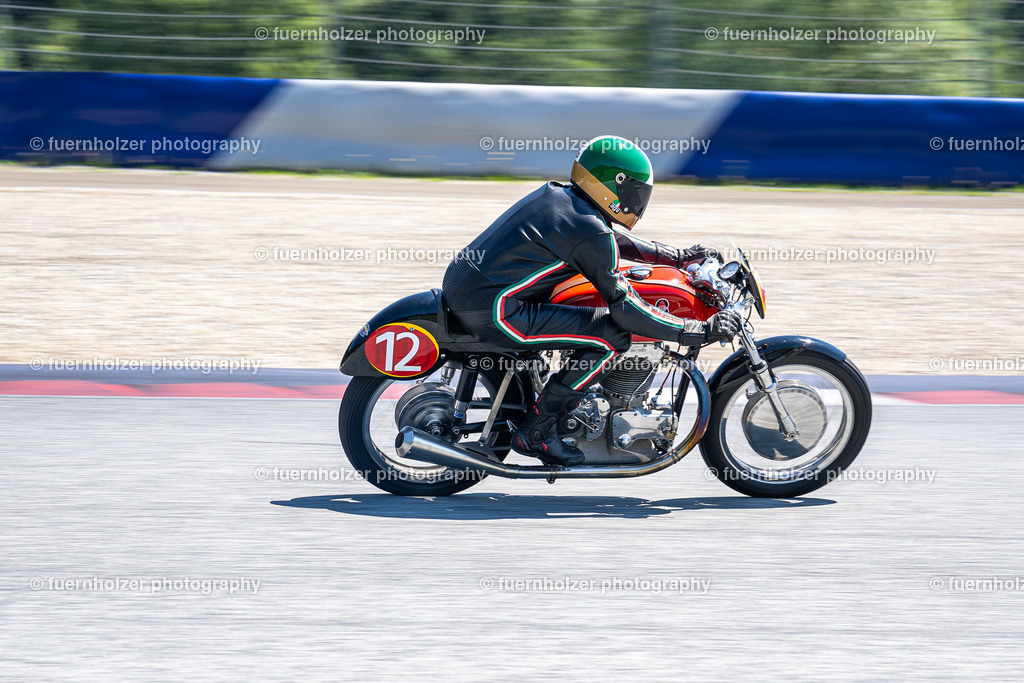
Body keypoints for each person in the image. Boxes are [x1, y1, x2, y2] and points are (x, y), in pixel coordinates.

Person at [442, 135, 741, 466]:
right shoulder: (587, 228)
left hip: (471, 291)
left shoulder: (561, 198)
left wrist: (679, 257)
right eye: (634, 193)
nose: (636, 201)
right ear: (615, 186)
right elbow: (625, 309)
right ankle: (538, 431)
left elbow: (609, 240)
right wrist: (693, 329)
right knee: (611, 336)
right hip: (493, 312)